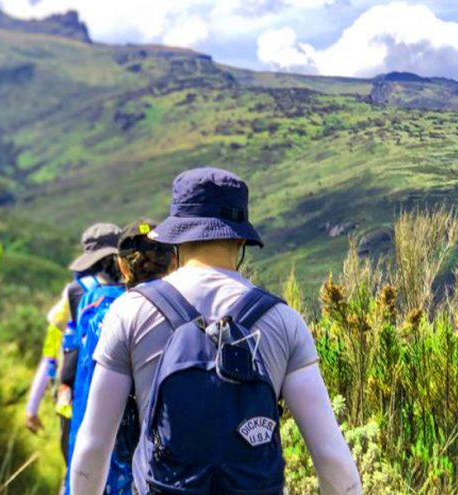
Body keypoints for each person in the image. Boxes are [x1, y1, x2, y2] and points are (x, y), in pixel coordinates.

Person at [69, 167, 362, 494]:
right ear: (241, 240)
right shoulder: (284, 321)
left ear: (176, 238)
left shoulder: (130, 311)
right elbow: (333, 461)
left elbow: (94, 447)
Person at [65, 219, 174, 495]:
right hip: (171, 469)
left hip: (109, 464)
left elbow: (87, 393)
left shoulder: (101, 313)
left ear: (123, 266)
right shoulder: (193, 313)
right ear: (173, 262)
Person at [25, 223, 123, 462]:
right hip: (120, 400)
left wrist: (32, 406)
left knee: (75, 468)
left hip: (71, 399)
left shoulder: (73, 292)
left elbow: (50, 352)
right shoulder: (133, 288)